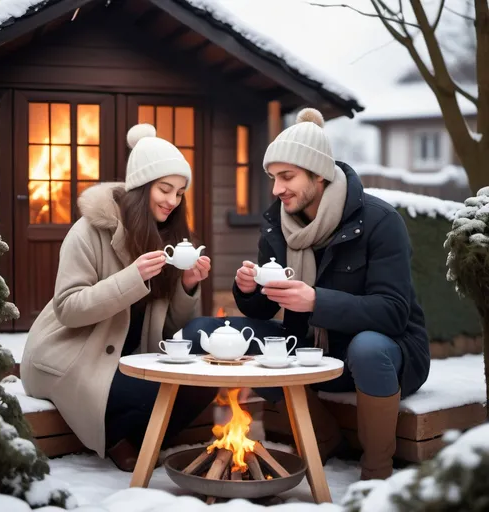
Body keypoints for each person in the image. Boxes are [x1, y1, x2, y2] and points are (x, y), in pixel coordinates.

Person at [183, 108, 430, 480]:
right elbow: (265, 312)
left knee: (367, 347)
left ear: (319, 174)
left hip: (384, 358)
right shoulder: (279, 226)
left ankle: (376, 472)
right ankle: (326, 439)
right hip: (313, 351)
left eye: (287, 177)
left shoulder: (380, 221)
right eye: (272, 177)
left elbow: (393, 312)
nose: (277, 189)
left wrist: (316, 301)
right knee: (216, 333)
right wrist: (248, 291)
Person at [21, 124, 217, 472]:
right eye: (165, 189)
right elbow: (68, 308)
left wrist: (186, 287)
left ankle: (142, 437)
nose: (173, 201)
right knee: (160, 390)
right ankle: (117, 438)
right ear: (141, 187)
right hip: (74, 356)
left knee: (204, 383)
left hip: (133, 360)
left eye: (180, 192)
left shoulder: (168, 236)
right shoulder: (89, 231)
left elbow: (171, 327)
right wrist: (132, 277)